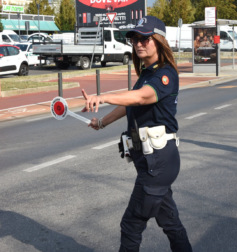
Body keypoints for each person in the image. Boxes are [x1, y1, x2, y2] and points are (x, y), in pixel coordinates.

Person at [81, 16, 192, 252]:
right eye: (134, 39)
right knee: (170, 222)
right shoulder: (147, 73)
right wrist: (102, 122)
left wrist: (102, 96)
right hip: (151, 161)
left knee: (131, 225)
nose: (138, 43)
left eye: (144, 38)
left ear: (159, 40)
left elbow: (142, 97)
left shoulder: (165, 74)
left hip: (158, 161)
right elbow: (131, 103)